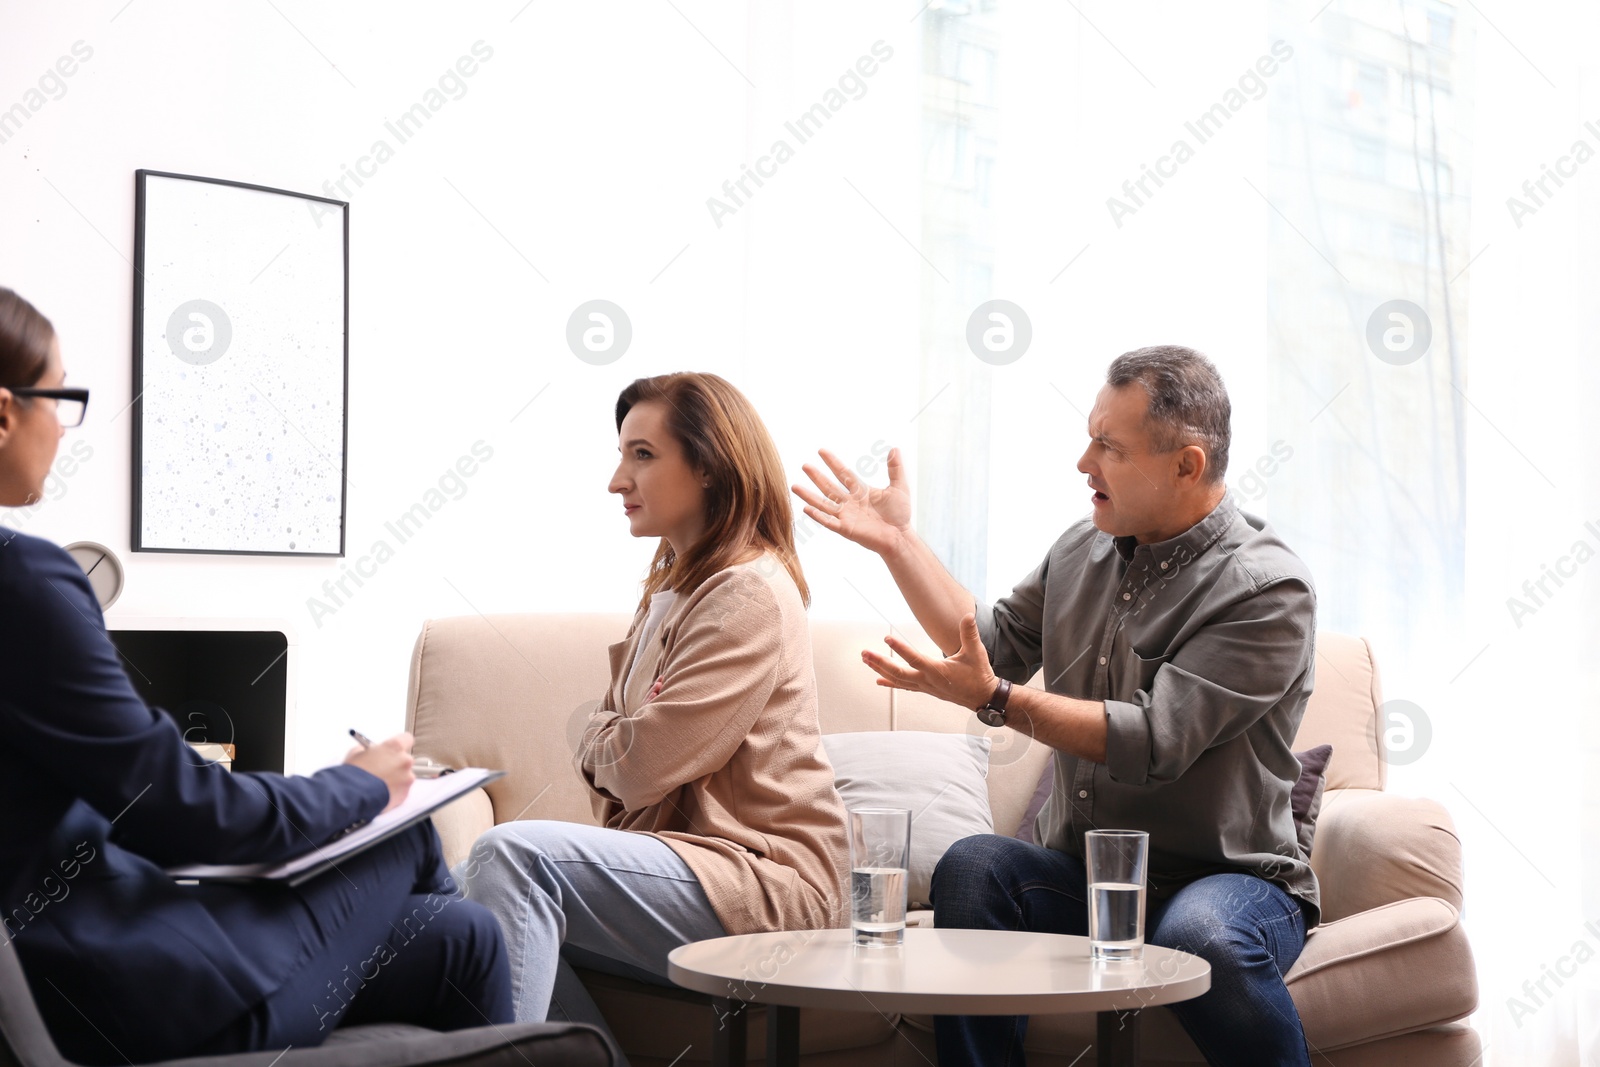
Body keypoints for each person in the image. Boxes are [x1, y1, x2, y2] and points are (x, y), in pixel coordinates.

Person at [0, 288, 513, 1065]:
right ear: (5, 413)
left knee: (464, 936)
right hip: (129, 992)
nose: (65, 430)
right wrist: (365, 784)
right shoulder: (24, 580)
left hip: (63, 973)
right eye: (62, 397)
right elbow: (181, 808)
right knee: (405, 825)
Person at [795, 345, 1319, 1066]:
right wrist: (897, 543)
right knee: (974, 866)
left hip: (1226, 880)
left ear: (1186, 465)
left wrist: (998, 701)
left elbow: (1154, 736)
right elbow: (995, 643)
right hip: (1086, 875)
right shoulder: (1082, 549)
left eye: (1109, 445)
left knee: (1200, 935)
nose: (1084, 461)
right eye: (1089, 436)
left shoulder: (1267, 589)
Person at [460, 372, 848, 1039]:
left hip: (767, 887)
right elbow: (628, 750)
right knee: (454, 886)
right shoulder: (674, 591)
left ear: (708, 466)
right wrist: (614, 733)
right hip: (698, 868)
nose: (617, 479)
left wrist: (599, 731)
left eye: (642, 454)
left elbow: (635, 765)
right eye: (621, 454)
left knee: (511, 857)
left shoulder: (746, 595)